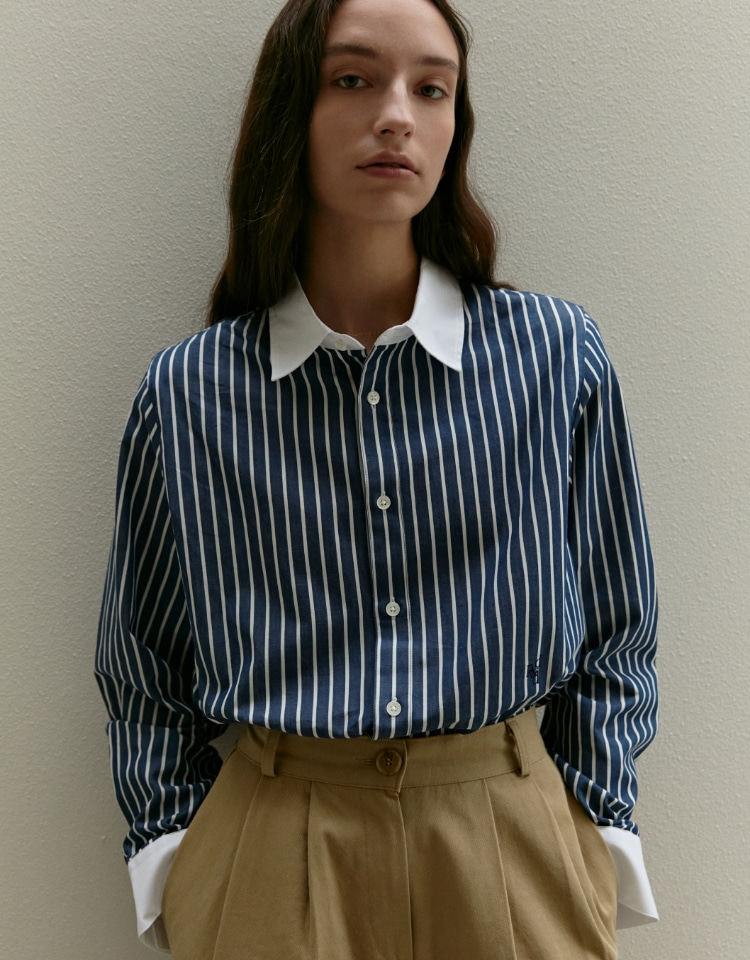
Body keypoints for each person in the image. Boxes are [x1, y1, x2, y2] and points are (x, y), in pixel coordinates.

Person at [94, 0, 660, 957]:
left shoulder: (555, 356)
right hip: (271, 843)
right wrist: (175, 863)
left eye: (432, 89)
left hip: (511, 838)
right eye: (353, 79)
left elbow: (618, 618)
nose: (397, 115)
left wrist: (593, 831)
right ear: (292, 110)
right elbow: (142, 655)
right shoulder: (190, 392)